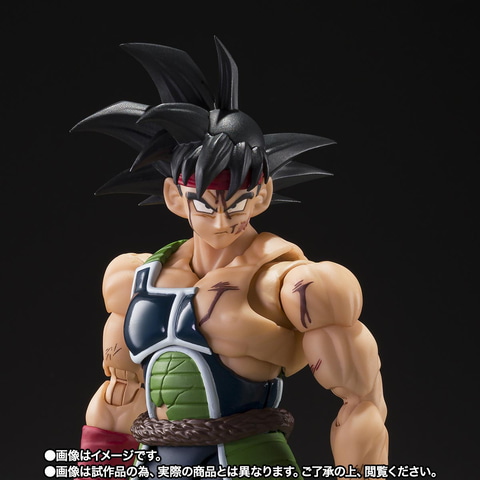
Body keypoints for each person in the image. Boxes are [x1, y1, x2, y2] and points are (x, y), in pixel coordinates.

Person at [72, 37, 388, 480]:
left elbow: (361, 402)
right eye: (205, 205)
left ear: (262, 195)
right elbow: (118, 397)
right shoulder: (133, 278)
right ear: (175, 197)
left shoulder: (294, 285)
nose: (221, 221)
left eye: (237, 203)